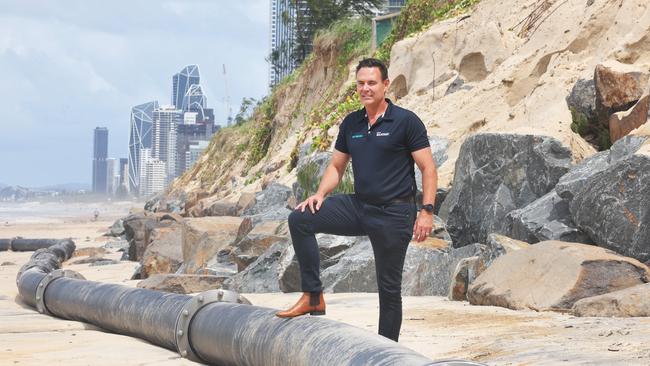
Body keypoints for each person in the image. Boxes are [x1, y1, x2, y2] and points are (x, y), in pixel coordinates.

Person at [276, 58, 438, 342]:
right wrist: (319, 194)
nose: (365, 88)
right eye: (361, 83)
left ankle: (386, 354)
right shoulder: (352, 123)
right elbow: (337, 167)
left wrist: (426, 211)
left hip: (394, 213)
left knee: (389, 291)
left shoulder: (405, 121)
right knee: (300, 218)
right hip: (360, 207)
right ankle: (313, 296)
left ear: (385, 85)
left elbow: (428, 168)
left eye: (372, 83)